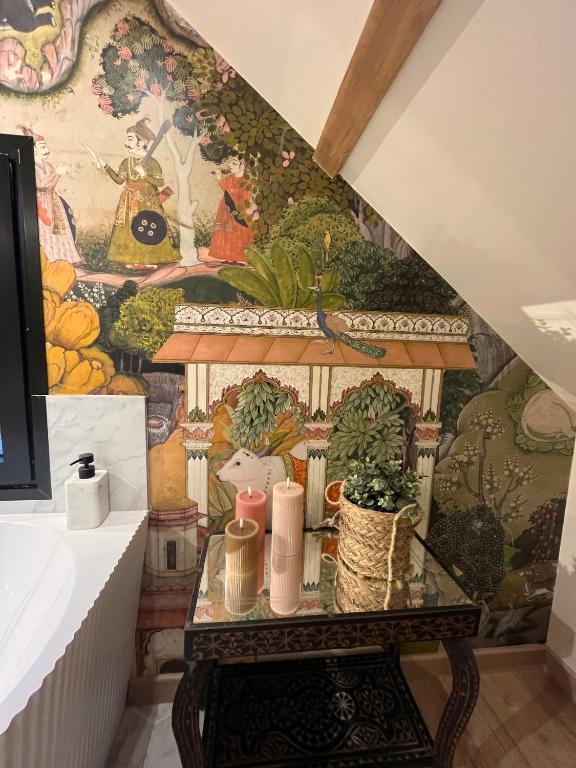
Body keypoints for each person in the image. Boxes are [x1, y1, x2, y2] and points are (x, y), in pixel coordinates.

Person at [92, 118, 180, 269]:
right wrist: (105, 166)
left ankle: (149, 260)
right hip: (128, 199)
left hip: (147, 200)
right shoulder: (127, 162)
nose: (126, 142)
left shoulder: (152, 163)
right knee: (129, 227)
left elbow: (159, 183)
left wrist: (144, 174)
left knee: (148, 227)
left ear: (141, 142)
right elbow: (119, 180)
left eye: (130, 139)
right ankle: (132, 259)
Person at [21, 126, 81, 265]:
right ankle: (47, 261)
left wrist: (55, 173)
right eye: (42, 146)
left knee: (58, 232)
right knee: (44, 232)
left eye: (46, 146)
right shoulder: (30, 166)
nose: (46, 149)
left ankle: (62, 258)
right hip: (39, 202)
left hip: (52, 201)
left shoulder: (48, 166)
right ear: (33, 149)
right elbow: (40, 185)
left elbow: (50, 186)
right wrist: (57, 174)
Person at [206, 153, 257, 264]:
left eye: (234, 163)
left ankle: (239, 258)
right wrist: (219, 178)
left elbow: (245, 197)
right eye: (231, 162)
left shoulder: (246, 181)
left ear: (243, 166)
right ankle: (227, 256)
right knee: (225, 234)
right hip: (225, 210)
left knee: (238, 233)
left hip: (238, 210)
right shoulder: (229, 178)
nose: (230, 165)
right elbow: (225, 188)